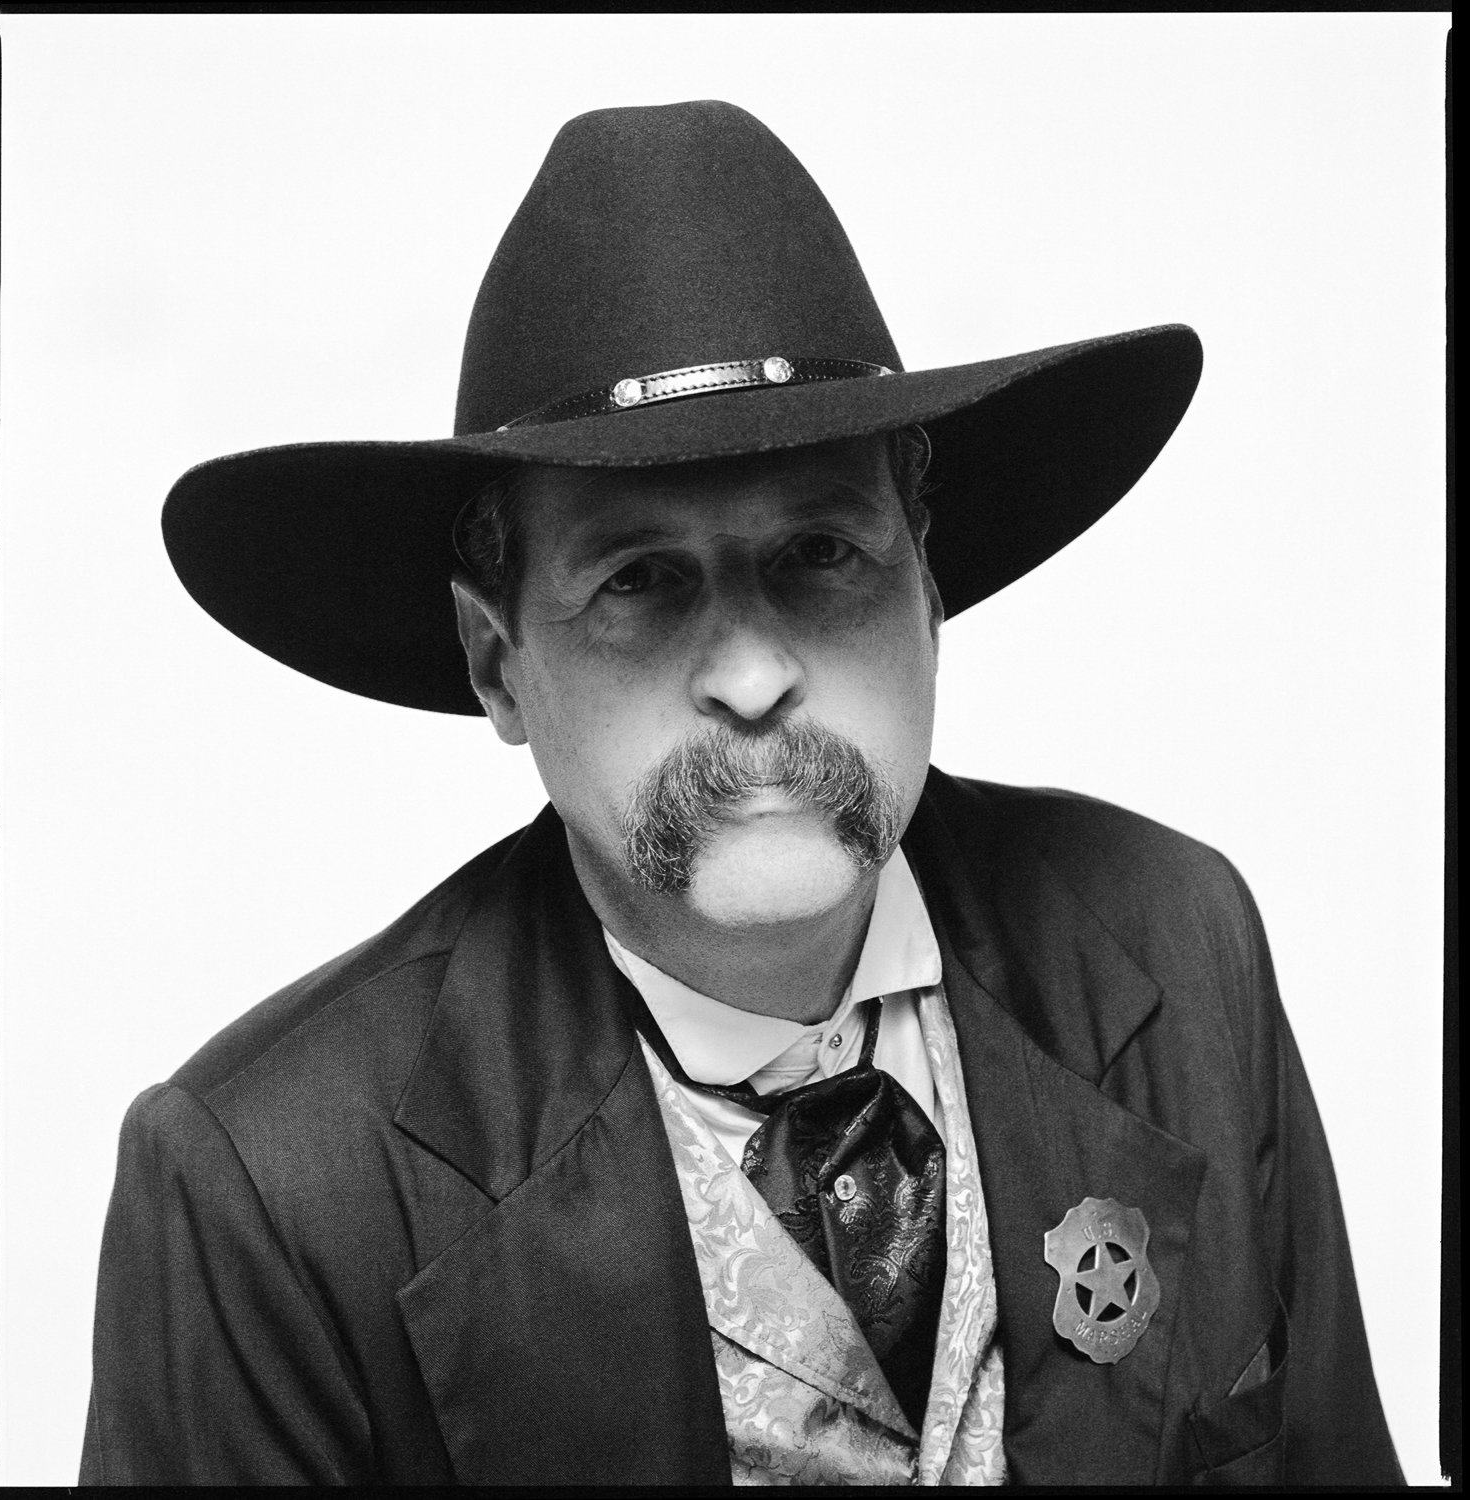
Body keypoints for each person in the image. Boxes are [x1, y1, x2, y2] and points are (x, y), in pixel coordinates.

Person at [78, 99, 1402, 1487]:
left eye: (822, 553)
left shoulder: (1179, 941)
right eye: (640, 581)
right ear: (497, 662)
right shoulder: (270, 1189)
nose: (757, 674)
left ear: (926, 579)